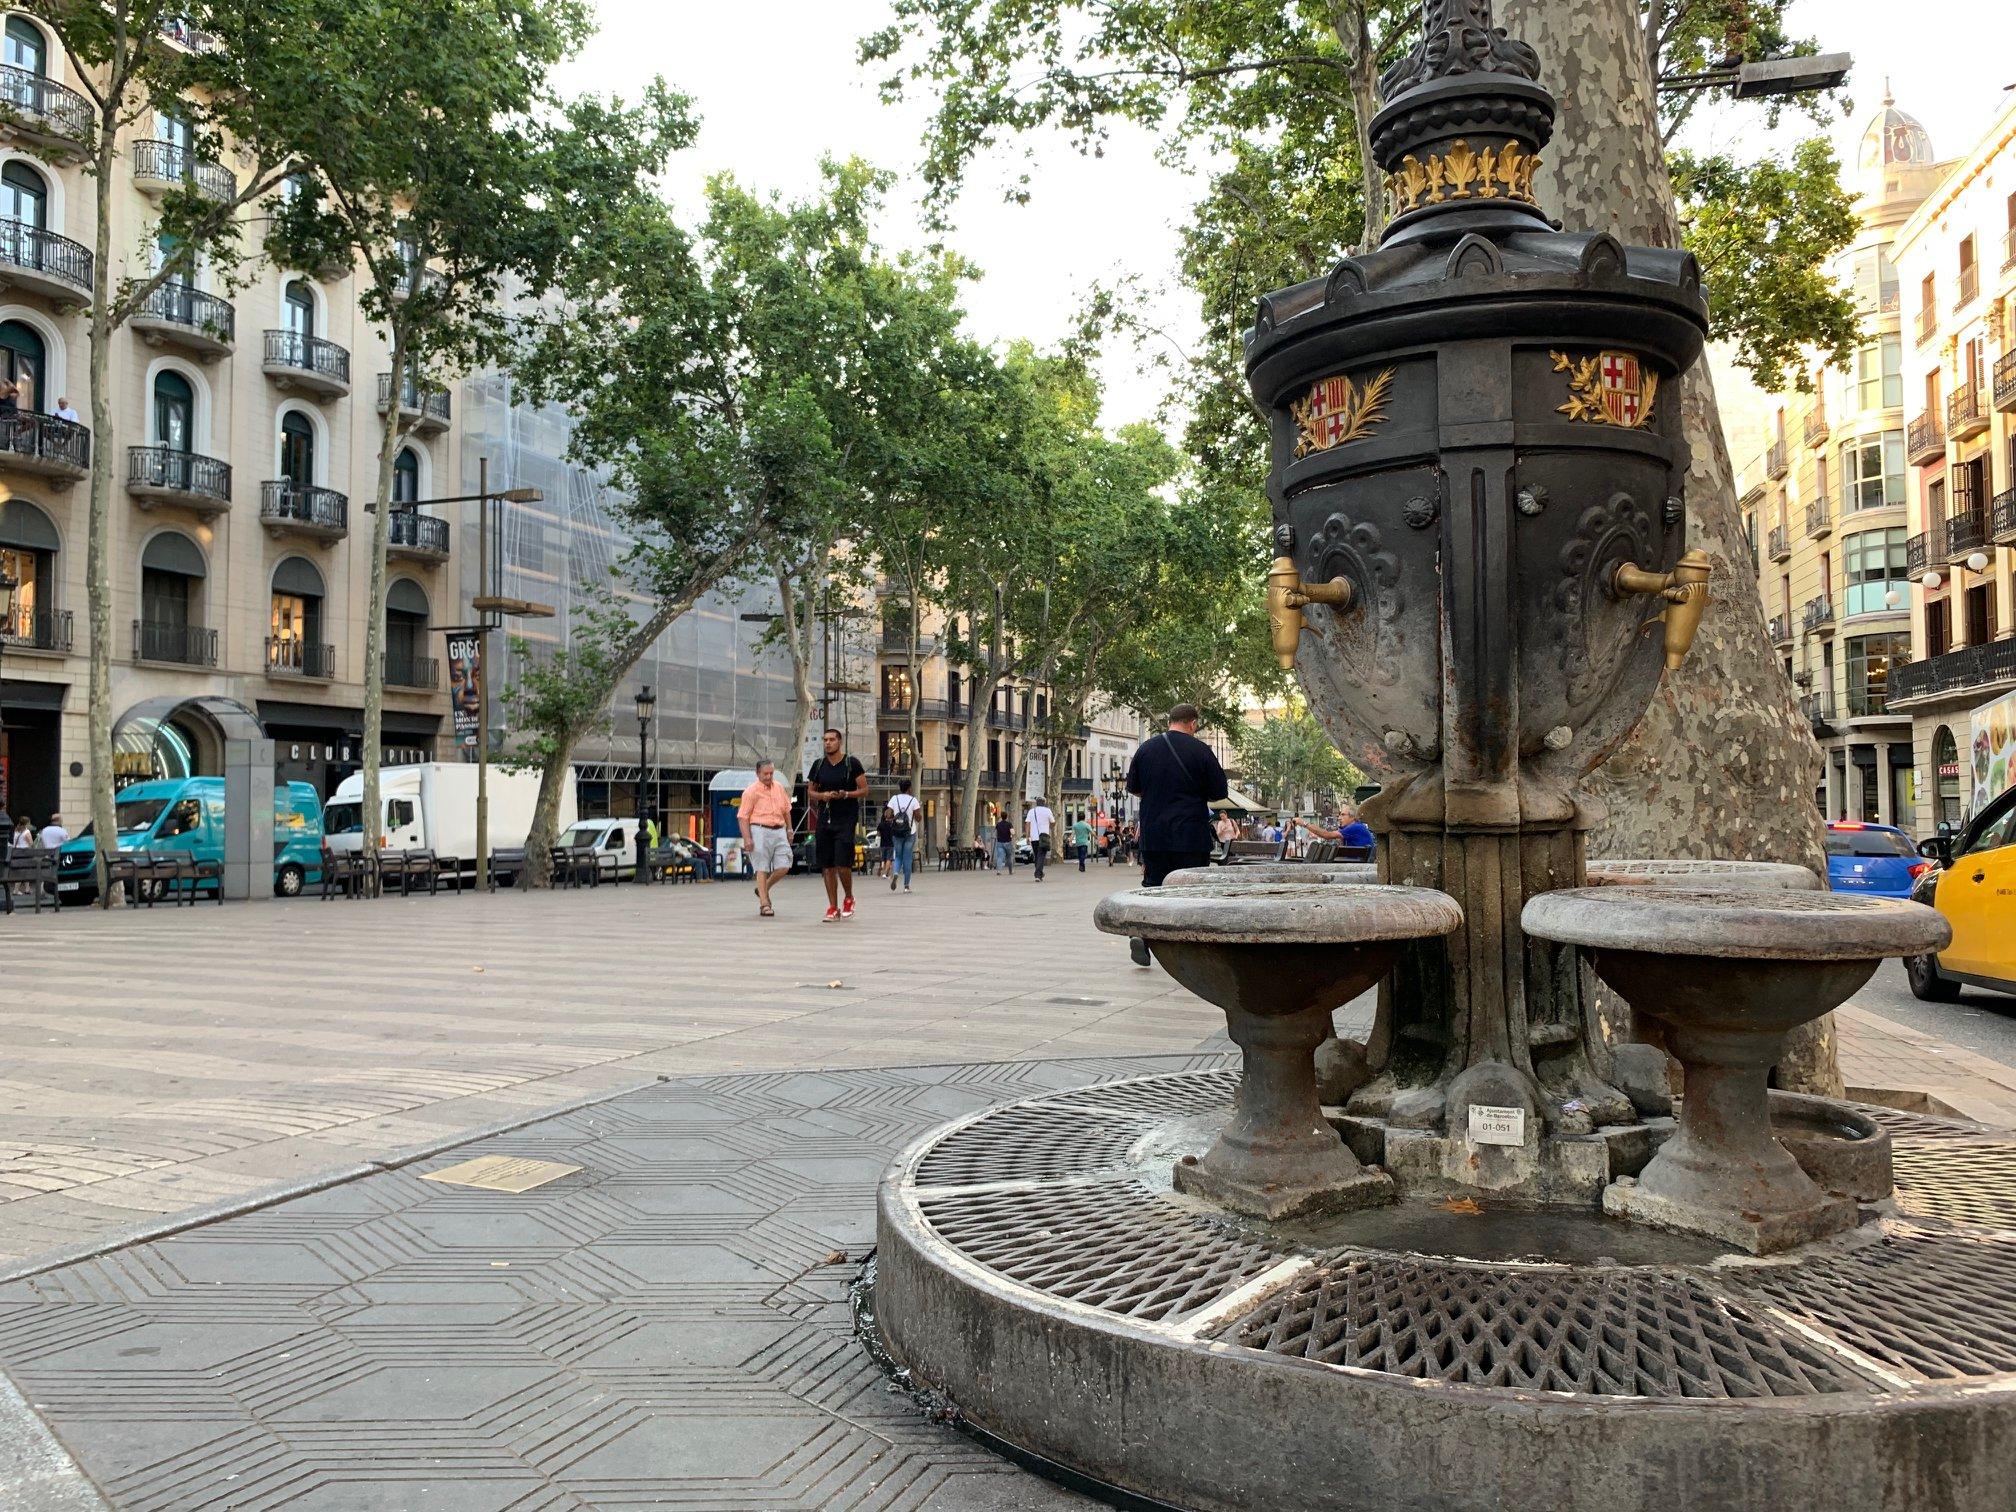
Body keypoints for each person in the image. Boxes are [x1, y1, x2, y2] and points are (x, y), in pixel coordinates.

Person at [1123, 704, 1229, 965]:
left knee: (1153, 887)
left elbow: (1134, 789)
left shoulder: (1146, 749)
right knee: (1191, 891)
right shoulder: (1201, 751)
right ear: (1193, 723)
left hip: (1155, 833)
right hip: (1190, 834)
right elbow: (1219, 793)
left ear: (1170, 720)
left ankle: (1143, 934)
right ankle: (1187, 945)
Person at [806, 728, 866, 921]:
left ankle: (848, 897)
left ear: (839, 742)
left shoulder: (851, 763)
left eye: (831, 739)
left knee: (842, 864)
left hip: (846, 818)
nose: (827, 743)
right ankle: (832, 907)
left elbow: (864, 789)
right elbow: (810, 792)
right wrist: (822, 795)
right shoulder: (818, 765)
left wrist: (846, 794)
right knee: (827, 865)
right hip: (825, 819)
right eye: (825, 740)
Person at [737, 760, 794, 917]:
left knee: (785, 865)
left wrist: (789, 829)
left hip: (779, 829)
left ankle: (764, 887)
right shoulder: (751, 791)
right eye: (765, 774)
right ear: (758, 773)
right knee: (761, 867)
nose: (769, 777)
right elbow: (743, 817)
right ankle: (764, 904)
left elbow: (786, 810)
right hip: (759, 830)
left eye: (771, 773)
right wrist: (747, 838)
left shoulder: (779, 788)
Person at [884, 778, 921, 892]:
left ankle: (895, 873)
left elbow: (888, 814)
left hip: (897, 832)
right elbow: (918, 818)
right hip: (910, 832)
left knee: (898, 856)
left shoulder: (894, 799)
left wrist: (894, 817)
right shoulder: (913, 800)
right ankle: (906, 886)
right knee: (907, 857)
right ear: (909, 788)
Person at [1298, 804, 1377, 857]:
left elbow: (1327, 835)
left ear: (1352, 817)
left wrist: (1304, 823)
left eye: (1342, 815)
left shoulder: (1355, 827)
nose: (1339, 818)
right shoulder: (1355, 827)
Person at [1024, 796, 1054, 881]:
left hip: (1034, 837)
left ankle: (1039, 873)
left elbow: (1027, 824)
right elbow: (1053, 822)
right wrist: (1049, 827)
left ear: (1037, 803)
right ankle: (1038, 874)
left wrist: (1027, 836)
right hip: (1044, 836)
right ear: (1044, 803)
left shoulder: (1031, 811)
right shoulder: (1047, 811)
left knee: (1037, 855)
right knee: (1041, 856)